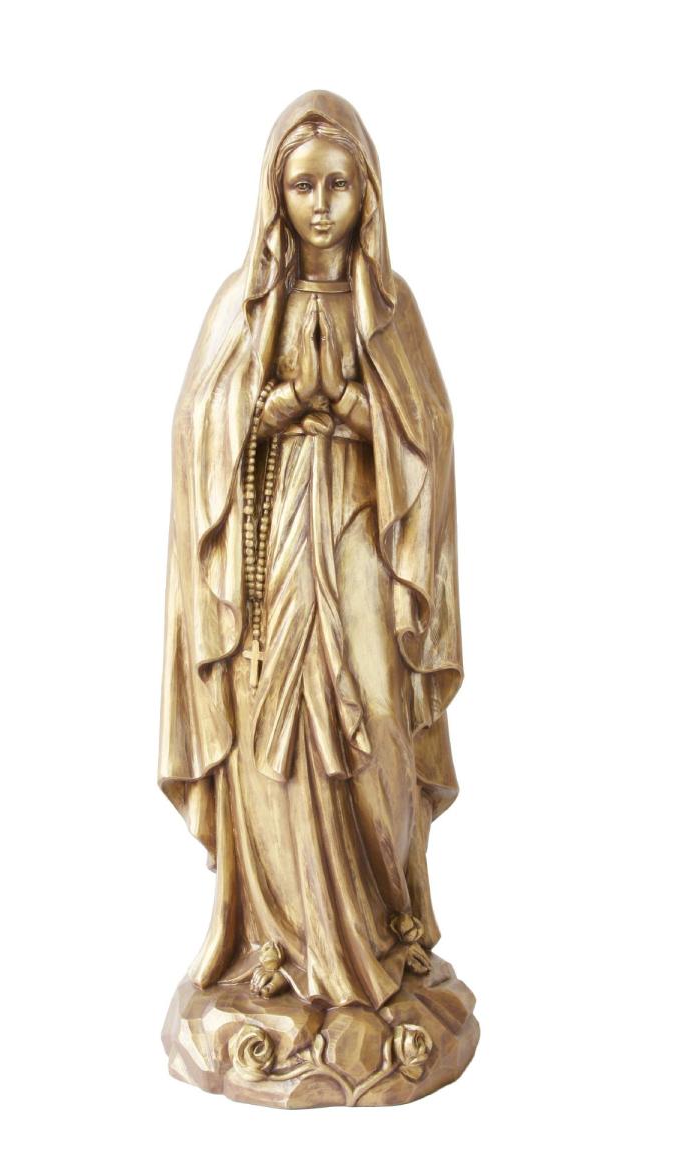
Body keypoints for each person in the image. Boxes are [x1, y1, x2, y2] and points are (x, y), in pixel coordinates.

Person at [159, 91, 463, 1010]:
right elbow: (195, 425)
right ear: (275, 193)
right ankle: (277, 937)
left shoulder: (391, 310)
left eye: (338, 185)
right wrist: (267, 411)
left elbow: (431, 430)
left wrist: (369, 417)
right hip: (273, 549)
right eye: (302, 186)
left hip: (362, 542)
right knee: (272, 731)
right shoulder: (247, 305)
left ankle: (379, 920)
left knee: (376, 719)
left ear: (368, 193)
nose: (321, 205)